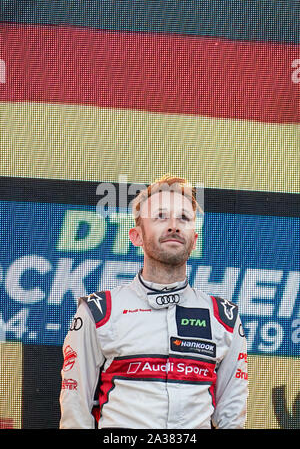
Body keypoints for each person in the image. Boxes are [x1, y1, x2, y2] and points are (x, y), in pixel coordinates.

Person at [59, 175, 248, 429]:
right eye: (160, 216)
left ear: (194, 239)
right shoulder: (99, 311)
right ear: (136, 236)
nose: (173, 225)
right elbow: (75, 410)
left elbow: (232, 417)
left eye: (184, 218)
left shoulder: (224, 318)